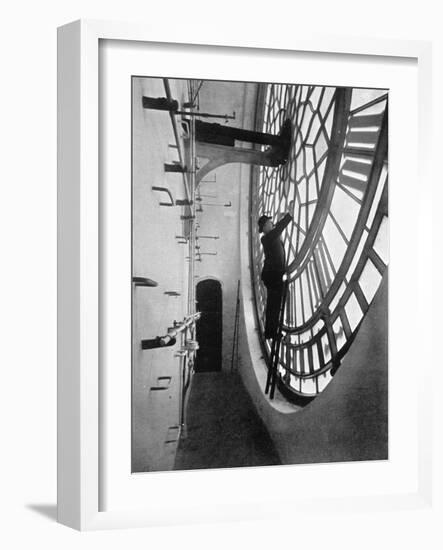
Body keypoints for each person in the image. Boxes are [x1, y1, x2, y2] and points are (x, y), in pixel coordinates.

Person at [258, 212, 293, 339]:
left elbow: (277, 227)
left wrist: (282, 219)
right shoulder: (266, 238)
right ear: (264, 228)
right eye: (268, 223)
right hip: (273, 276)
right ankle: (271, 332)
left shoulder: (270, 236)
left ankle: (271, 332)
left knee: (274, 305)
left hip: (273, 276)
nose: (271, 224)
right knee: (274, 306)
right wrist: (289, 216)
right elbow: (278, 228)